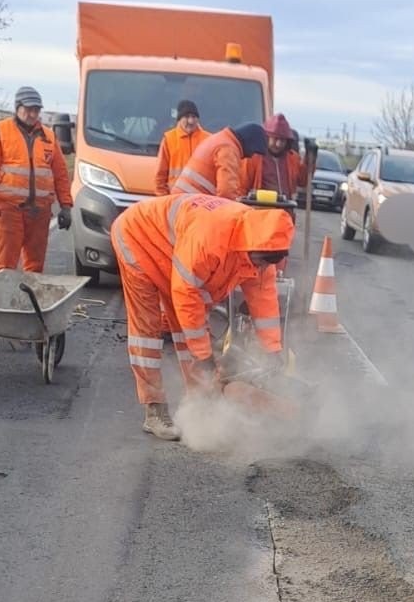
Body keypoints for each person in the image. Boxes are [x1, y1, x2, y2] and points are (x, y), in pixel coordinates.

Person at [111, 193, 294, 440]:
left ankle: (199, 403)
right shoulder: (211, 241)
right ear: (252, 244)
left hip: (175, 253)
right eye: (261, 261)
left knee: (191, 330)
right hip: (138, 238)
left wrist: (272, 348)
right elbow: (186, 294)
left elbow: (265, 303)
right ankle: (154, 409)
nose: (262, 268)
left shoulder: (262, 247)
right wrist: (204, 356)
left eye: (269, 263)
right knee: (148, 329)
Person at [0, 86, 73, 272]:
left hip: (40, 212)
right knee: (5, 266)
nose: (33, 114)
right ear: (17, 107)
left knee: (35, 266)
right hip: (9, 211)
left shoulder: (49, 136)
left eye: (36, 110)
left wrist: (65, 206)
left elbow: (60, 174)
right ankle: (4, 301)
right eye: (28, 109)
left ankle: (30, 300)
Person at [172, 122, 267, 200]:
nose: (250, 156)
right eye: (252, 151)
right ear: (248, 143)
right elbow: (226, 192)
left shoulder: (220, 139)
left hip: (183, 199)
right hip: (191, 203)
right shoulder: (229, 149)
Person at [241, 114, 315, 201]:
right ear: (267, 137)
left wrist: (310, 159)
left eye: (282, 140)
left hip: (285, 211)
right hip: (260, 211)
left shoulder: (293, 158)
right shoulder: (253, 157)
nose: (278, 144)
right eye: (275, 139)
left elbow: (303, 181)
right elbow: (242, 187)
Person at [154, 99, 210, 195]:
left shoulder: (208, 139)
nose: (191, 121)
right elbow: (160, 175)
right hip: (176, 198)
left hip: (201, 199)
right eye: (187, 116)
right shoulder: (169, 139)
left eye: (194, 117)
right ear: (179, 119)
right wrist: (163, 199)